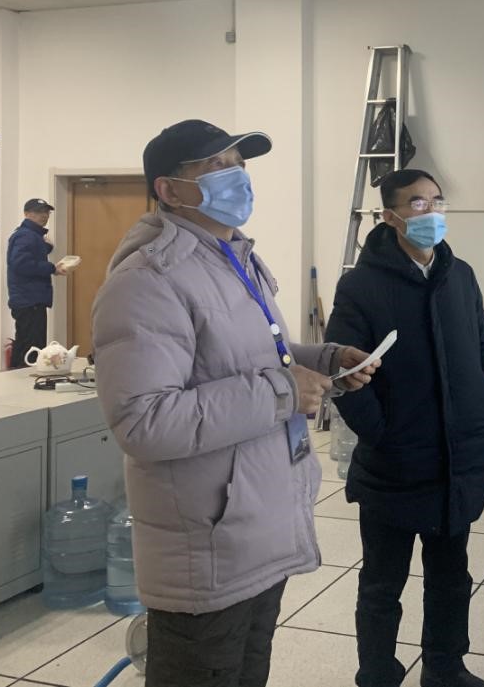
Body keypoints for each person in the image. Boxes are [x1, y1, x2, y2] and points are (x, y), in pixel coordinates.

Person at [92, 119, 380, 687]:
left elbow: (250, 357)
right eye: (216, 166)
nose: (238, 177)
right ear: (169, 189)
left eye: (240, 165)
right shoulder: (147, 280)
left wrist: (323, 361)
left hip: (256, 522)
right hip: (206, 545)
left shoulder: (233, 258)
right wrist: (283, 391)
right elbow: (144, 422)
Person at [326, 168, 484, 687]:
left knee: (451, 577)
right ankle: (377, 673)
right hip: (395, 464)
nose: (432, 212)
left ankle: (445, 668)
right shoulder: (361, 285)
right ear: (391, 216)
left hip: (457, 460)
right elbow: (341, 370)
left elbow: (483, 345)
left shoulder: (459, 274)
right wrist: (380, 432)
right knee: (383, 584)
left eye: (438, 201)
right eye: (419, 203)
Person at [6, 197, 65, 368]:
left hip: (30, 300)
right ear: (26, 213)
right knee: (31, 347)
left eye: (46, 212)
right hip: (29, 301)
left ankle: (19, 376)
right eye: (38, 212)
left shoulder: (32, 235)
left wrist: (46, 247)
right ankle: (23, 378)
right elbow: (21, 263)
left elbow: (29, 255)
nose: (44, 215)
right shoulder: (26, 235)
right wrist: (51, 268)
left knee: (28, 344)